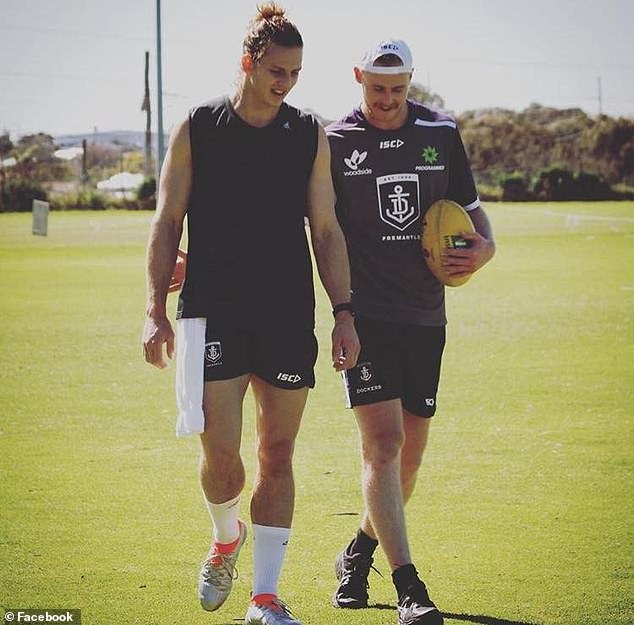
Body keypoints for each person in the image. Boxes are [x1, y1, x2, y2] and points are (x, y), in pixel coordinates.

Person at [142, 4, 360, 625]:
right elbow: (166, 221)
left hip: (288, 314)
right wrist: (154, 308)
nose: (286, 82)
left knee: (280, 451)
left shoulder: (306, 132)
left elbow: (326, 226)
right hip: (210, 311)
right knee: (220, 454)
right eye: (276, 70)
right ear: (248, 61)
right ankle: (225, 535)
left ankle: (265, 596)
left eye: (294, 72)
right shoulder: (197, 126)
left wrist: (344, 312)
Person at [326, 39, 495, 625]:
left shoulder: (441, 133)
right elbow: (302, 225)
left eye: (398, 90)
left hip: (426, 314)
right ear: (358, 78)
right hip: (365, 314)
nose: (387, 100)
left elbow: (472, 213)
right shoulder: (334, 142)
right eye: (377, 89)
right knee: (384, 445)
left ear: (411, 82)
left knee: (410, 459)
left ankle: (360, 550)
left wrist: (486, 249)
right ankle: (409, 587)